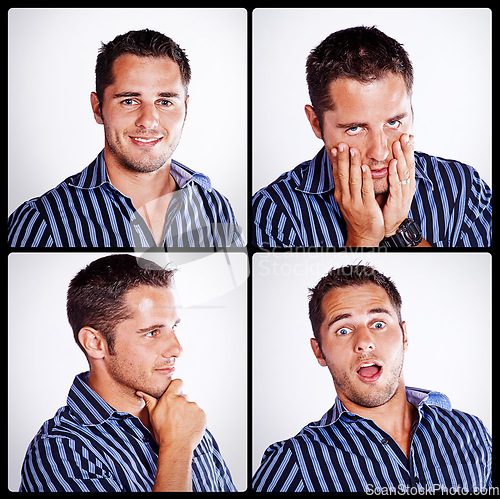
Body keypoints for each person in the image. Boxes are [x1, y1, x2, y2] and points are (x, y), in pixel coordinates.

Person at [252, 264, 492, 492]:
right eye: (343, 330)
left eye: (378, 324)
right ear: (319, 351)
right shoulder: (294, 461)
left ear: (404, 335)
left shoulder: (469, 432)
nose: (364, 342)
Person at [252, 26, 492, 247]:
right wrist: (362, 237)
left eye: (394, 122)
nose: (380, 152)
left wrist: (400, 230)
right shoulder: (273, 211)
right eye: (355, 128)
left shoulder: (463, 188)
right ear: (316, 123)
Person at [19, 254, 236, 492]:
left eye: (173, 327)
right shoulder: (61, 452)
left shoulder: (184, 420)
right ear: (94, 343)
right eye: (152, 332)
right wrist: (177, 448)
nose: (177, 349)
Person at [8, 29, 243, 248]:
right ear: (98, 108)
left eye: (165, 102)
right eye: (129, 101)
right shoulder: (43, 221)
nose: (148, 120)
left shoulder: (214, 207)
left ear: (186, 109)